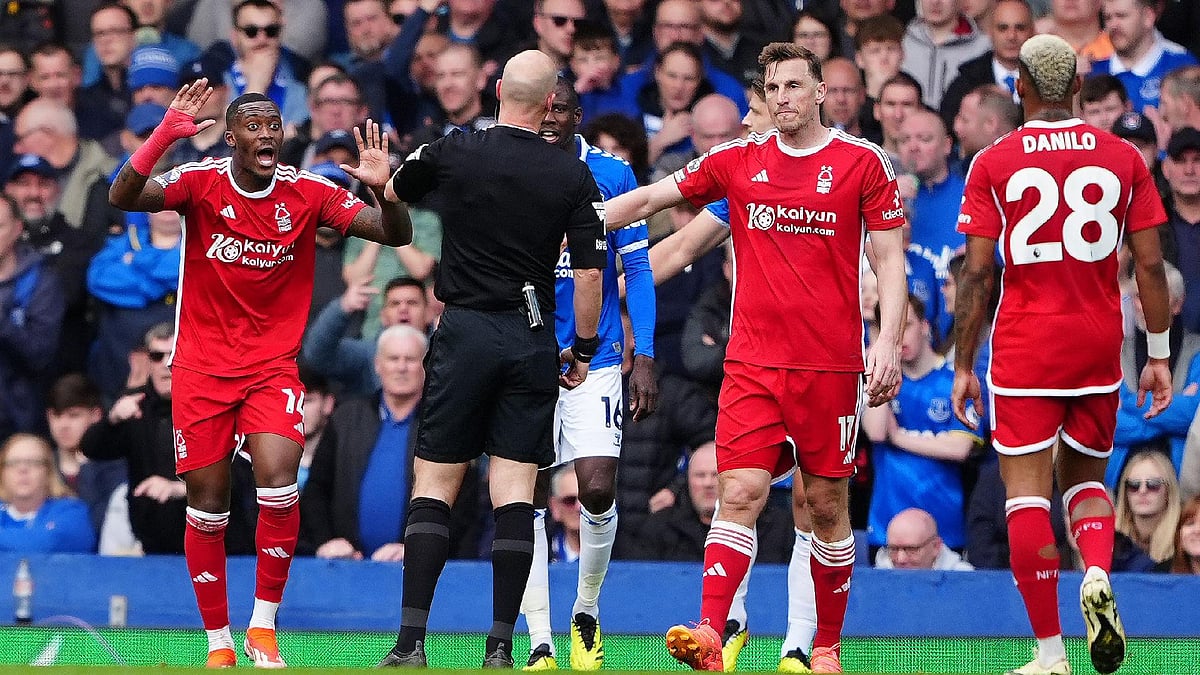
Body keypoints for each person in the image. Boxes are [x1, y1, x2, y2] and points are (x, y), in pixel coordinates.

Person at [603, 42, 908, 673]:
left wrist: (886, 340)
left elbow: (888, 259)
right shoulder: (739, 169)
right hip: (752, 365)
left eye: (793, 86)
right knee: (737, 490)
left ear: (819, 92)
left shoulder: (861, 163)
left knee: (822, 505)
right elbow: (660, 214)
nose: (775, 102)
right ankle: (713, 630)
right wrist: (575, 228)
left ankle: (819, 644)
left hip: (829, 368)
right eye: (772, 89)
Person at [108, 77, 413, 667]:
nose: (266, 133)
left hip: (271, 368)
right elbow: (125, 195)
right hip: (200, 368)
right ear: (232, 138)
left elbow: (393, 233)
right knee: (208, 506)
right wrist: (164, 136)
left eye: (273, 125)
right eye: (253, 125)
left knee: (278, 484)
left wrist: (386, 192)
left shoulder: (309, 192)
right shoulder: (199, 182)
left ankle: (263, 627)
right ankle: (218, 641)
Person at [374, 50, 606, 670]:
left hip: (465, 330)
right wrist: (583, 349)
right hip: (529, 337)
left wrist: (379, 179)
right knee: (515, 493)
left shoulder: (456, 149)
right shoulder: (571, 176)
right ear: (551, 104)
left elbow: (394, 195)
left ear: (498, 89)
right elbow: (589, 275)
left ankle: (410, 643)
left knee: (435, 484)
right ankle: (501, 646)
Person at [951, 34, 1174, 675]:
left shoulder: (993, 162)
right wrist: (1157, 354)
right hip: (1097, 341)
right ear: (1078, 86)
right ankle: (1096, 571)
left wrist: (964, 365)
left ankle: (1050, 652)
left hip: (1026, 344)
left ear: (1019, 87)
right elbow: (1151, 266)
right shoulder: (1122, 156)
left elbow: (977, 274)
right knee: (1086, 482)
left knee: (1025, 498)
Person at [518, 76, 658, 672]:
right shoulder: (508, 167)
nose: (550, 119)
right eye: (542, 109)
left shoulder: (613, 174)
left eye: (562, 110)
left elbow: (639, 268)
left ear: (579, 115)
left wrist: (643, 352)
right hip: (525, 354)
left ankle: (586, 608)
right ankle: (539, 640)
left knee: (597, 487)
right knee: (523, 493)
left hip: (596, 356)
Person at [300, 325, 482, 561]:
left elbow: (464, 504)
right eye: (393, 358)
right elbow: (316, 489)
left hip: (420, 568)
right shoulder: (345, 418)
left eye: (410, 359)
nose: (401, 367)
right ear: (378, 365)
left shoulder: (446, 426)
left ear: (427, 366)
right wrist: (326, 541)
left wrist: (422, 548)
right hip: (345, 566)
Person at [0, 434, 96, 553]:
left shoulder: (72, 511)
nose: (22, 469)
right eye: (13, 463)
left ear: (48, 472)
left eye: (33, 462)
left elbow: (48, 543)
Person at [1114, 451, 1181, 565]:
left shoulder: (1183, 540)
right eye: (1134, 485)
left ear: (1169, 491)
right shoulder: (1111, 540)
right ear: (1125, 493)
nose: (1142, 491)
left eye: (1153, 484)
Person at [874, 507, 974, 570]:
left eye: (911, 549)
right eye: (893, 549)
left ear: (936, 546)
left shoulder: (964, 579)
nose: (901, 559)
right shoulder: (878, 578)